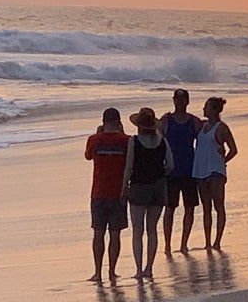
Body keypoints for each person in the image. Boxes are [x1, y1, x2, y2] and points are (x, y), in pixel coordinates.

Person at [121, 107, 173, 281]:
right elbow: (171, 165)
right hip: (158, 187)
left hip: (139, 186)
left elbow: (129, 167)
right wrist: (160, 174)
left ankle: (138, 269)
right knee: (152, 230)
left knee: (138, 230)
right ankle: (149, 267)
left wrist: (124, 187)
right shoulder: (162, 141)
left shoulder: (134, 141)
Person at [84, 107, 130, 283]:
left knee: (98, 232)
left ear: (103, 122)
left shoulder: (94, 140)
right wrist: (122, 132)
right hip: (118, 193)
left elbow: (88, 156)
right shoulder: (126, 140)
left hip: (98, 192)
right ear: (119, 122)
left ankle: (97, 271)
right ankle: (112, 271)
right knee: (115, 233)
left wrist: (98, 134)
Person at [159, 88, 203, 252]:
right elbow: (157, 141)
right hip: (170, 171)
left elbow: (204, 143)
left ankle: (184, 243)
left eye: (183, 99)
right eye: (177, 99)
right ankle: (167, 244)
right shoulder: (166, 120)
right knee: (169, 208)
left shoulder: (195, 121)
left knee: (189, 208)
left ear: (187, 101)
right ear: (173, 100)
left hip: (190, 170)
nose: (180, 102)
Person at [192, 96, 239, 250]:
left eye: (206, 107)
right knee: (206, 207)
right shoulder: (202, 125)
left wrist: (223, 160)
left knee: (218, 205)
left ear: (214, 110)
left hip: (216, 170)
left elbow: (234, 149)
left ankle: (217, 241)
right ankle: (207, 242)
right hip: (200, 170)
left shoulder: (221, 127)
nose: (204, 109)